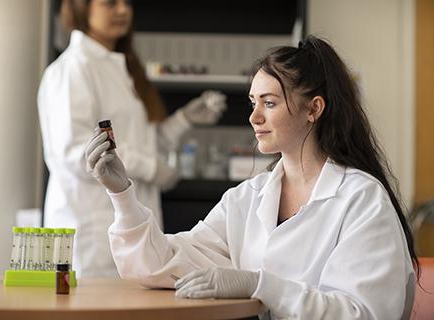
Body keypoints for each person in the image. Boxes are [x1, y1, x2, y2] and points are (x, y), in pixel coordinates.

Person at [85, 34, 418, 319]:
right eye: (252, 102)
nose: (254, 117)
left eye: (269, 103)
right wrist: (123, 195)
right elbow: (163, 265)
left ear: (314, 109)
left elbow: (364, 313)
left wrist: (262, 286)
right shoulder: (247, 198)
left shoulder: (362, 200)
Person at [37, 0, 226, 278]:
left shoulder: (120, 67)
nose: (123, 10)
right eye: (110, 3)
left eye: (127, 2)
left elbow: (143, 143)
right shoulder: (72, 69)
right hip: (92, 232)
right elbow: (75, 153)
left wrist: (184, 120)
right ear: (81, 8)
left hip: (130, 226)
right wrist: (150, 168)